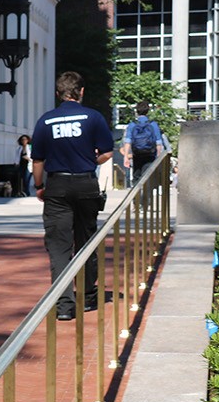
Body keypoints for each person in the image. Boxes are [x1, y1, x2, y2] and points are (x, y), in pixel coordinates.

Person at [30, 71, 115, 321]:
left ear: (58, 93)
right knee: (86, 241)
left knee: (58, 246)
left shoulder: (46, 121)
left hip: (57, 185)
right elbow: (108, 152)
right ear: (81, 92)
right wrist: (91, 159)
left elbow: (38, 160)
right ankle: (88, 297)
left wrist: (39, 186)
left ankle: (64, 305)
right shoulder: (93, 117)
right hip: (85, 183)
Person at [122, 101, 169, 187]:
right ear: (148, 111)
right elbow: (159, 143)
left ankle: (136, 197)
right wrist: (158, 156)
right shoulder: (153, 124)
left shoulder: (132, 125)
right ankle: (147, 198)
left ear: (137, 111)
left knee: (136, 176)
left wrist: (126, 157)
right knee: (147, 176)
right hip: (150, 154)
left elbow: (128, 141)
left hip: (137, 154)